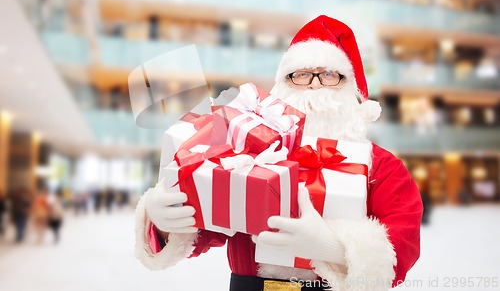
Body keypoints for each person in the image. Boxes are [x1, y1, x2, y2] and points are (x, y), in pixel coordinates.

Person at [135, 15, 423, 290]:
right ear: (282, 86)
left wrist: (331, 248)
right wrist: (163, 220)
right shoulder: (244, 149)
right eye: (300, 75)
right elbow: (207, 220)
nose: (313, 84)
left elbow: (402, 244)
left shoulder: (383, 166)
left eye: (330, 75)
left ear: (355, 91)